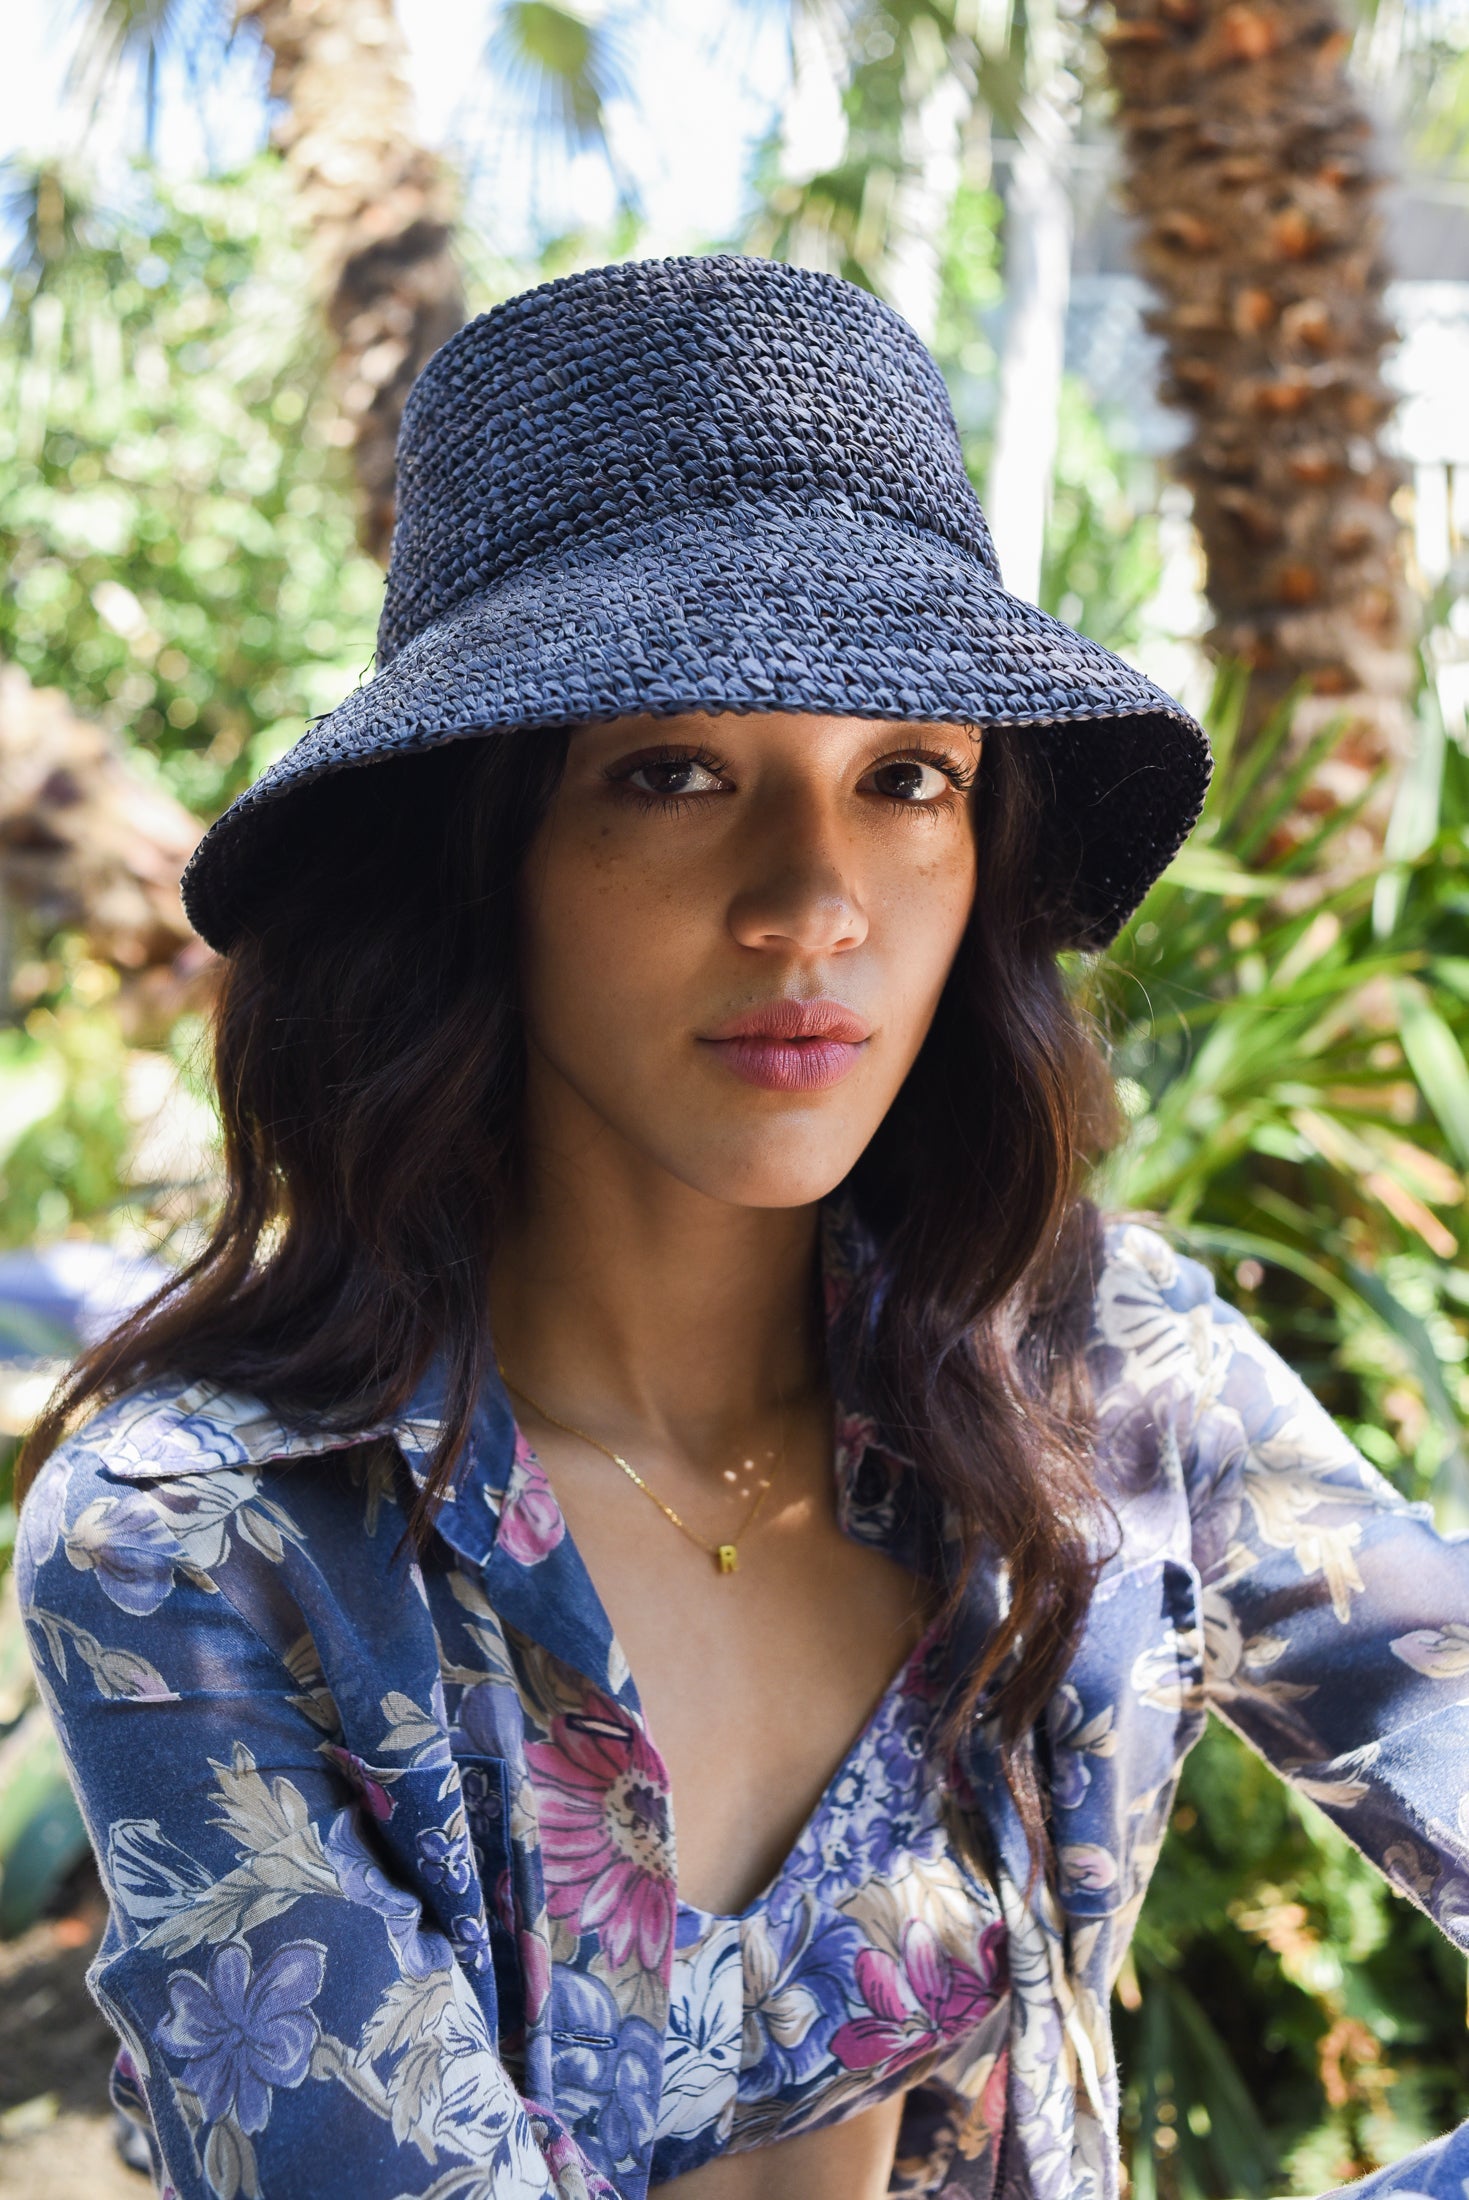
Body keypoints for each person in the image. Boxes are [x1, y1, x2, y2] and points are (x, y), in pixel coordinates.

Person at [14, 255, 1468, 2200]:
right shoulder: (205, 1529)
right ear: (478, 850)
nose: (814, 901)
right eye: (672, 772)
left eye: (906, 779)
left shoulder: (1105, 1365)